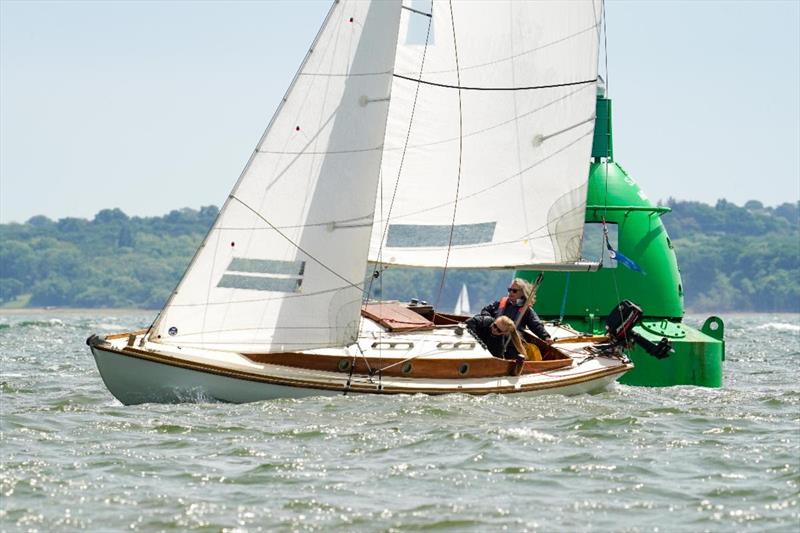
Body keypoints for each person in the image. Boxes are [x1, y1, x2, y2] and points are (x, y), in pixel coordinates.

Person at [480, 278, 552, 344]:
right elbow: (485, 311)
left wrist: (546, 337)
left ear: (522, 293)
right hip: (494, 337)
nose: (511, 292)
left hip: (511, 343)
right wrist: (493, 323)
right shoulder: (500, 303)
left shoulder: (526, 310)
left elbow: (536, 325)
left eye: (514, 291)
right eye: (509, 290)